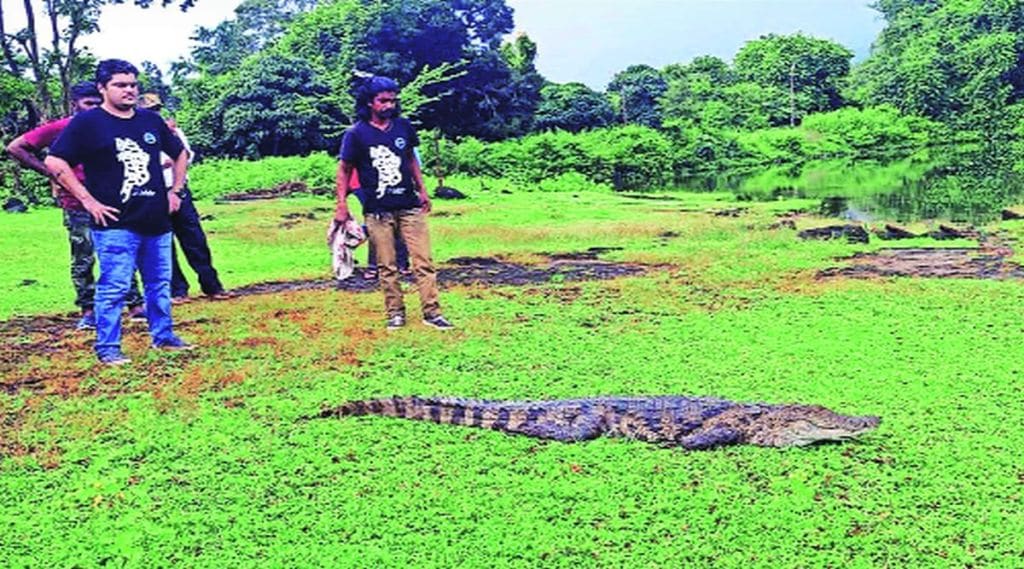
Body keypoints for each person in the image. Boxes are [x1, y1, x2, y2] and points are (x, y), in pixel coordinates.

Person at [45, 59, 193, 365]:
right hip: (115, 222)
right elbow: (55, 162)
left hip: (156, 218)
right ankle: (108, 346)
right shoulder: (88, 123)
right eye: (120, 85)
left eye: (133, 85)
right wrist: (87, 200)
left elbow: (180, 154)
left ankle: (163, 336)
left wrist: (175, 191)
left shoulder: (150, 121)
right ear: (103, 89)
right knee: (114, 286)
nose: (129, 90)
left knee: (159, 283)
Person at [6, 81, 145, 329]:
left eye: (97, 103)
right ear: (75, 104)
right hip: (76, 202)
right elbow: (16, 147)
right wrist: (52, 174)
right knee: (83, 256)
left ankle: (135, 304)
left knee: (120, 251)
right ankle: (88, 310)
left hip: (112, 200)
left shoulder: (111, 125)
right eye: (88, 103)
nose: (94, 108)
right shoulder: (64, 127)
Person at [334, 76, 453, 330]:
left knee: (423, 261)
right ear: (369, 103)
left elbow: (411, 160)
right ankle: (395, 312)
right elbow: (344, 169)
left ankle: (432, 312)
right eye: (383, 101)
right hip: (377, 209)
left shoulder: (403, 127)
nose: (389, 105)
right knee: (386, 265)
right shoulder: (355, 134)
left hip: (409, 205)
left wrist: (423, 190)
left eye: (393, 100)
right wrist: (341, 205)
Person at [137, 92, 231, 303]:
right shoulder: (137, 134)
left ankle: (212, 286)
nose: (155, 114)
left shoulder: (173, 132)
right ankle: (177, 290)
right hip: (154, 194)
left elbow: (184, 156)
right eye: (150, 110)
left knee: (195, 239)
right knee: (164, 244)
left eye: (156, 110)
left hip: (178, 189)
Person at [349, 168, 410, 279]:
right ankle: (378, 265)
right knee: (378, 222)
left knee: (396, 221)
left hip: (393, 185)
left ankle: (398, 264)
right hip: (368, 185)